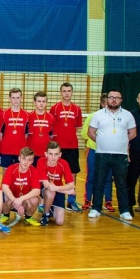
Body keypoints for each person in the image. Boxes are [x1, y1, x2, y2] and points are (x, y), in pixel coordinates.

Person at [87, 89, 137, 221]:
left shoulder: (128, 115)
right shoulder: (98, 115)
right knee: (99, 182)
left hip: (120, 155)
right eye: (111, 97)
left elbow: (133, 133)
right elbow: (90, 132)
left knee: (121, 183)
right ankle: (96, 208)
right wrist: (102, 141)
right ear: (107, 99)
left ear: (121, 100)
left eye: (117, 98)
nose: (114, 100)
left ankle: (124, 210)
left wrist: (122, 141)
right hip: (102, 154)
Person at [49, 83, 83, 212]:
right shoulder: (55, 108)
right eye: (64, 91)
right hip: (57, 147)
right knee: (54, 173)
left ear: (72, 92)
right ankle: (53, 200)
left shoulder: (77, 109)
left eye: (69, 91)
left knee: (72, 173)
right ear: (61, 92)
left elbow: (76, 127)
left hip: (72, 146)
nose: (66, 93)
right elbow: (51, 127)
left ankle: (71, 201)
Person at [81, 94, 114, 212]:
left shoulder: (115, 118)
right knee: (91, 176)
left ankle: (108, 200)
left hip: (109, 152)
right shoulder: (93, 117)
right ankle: (87, 200)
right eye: (106, 103)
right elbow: (84, 134)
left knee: (108, 177)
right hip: (94, 151)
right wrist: (97, 138)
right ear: (102, 104)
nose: (108, 105)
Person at [36, 141, 75, 227]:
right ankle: (46, 214)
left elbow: (72, 185)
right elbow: (46, 185)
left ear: (60, 154)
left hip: (58, 189)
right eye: (50, 154)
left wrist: (57, 188)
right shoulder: (41, 161)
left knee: (59, 222)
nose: (53, 157)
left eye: (56, 154)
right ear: (46, 154)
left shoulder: (64, 163)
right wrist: (67, 192)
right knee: (51, 192)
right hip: (45, 191)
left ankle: (50, 207)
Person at [1, 147, 41, 227]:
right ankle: (5, 215)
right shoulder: (11, 168)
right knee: (4, 196)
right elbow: (4, 187)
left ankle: (28, 217)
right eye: (24, 159)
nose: (26, 162)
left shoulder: (33, 171)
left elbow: (37, 191)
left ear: (32, 161)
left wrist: (21, 199)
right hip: (11, 199)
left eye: (29, 160)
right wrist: (15, 201)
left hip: (24, 199)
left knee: (35, 200)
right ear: (19, 158)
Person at [0, 88, 29, 174]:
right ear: (9, 98)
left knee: (20, 174)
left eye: (18, 97)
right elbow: (0, 134)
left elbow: (26, 135)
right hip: (6, 150)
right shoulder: (3, 114)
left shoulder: (27, 115)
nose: (15, 100)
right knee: (6, 174)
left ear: (21, 98)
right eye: (13, 98)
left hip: (21, 151)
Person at [27, 91, 54, 167]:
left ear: (46, 102)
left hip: (46, 154)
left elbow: (53, 137)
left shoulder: (51, 118)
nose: (41, 104)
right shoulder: (28, 117)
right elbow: (25, 136)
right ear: (34, 102)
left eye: (43, 101)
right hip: (31, 154)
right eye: (39, 101)